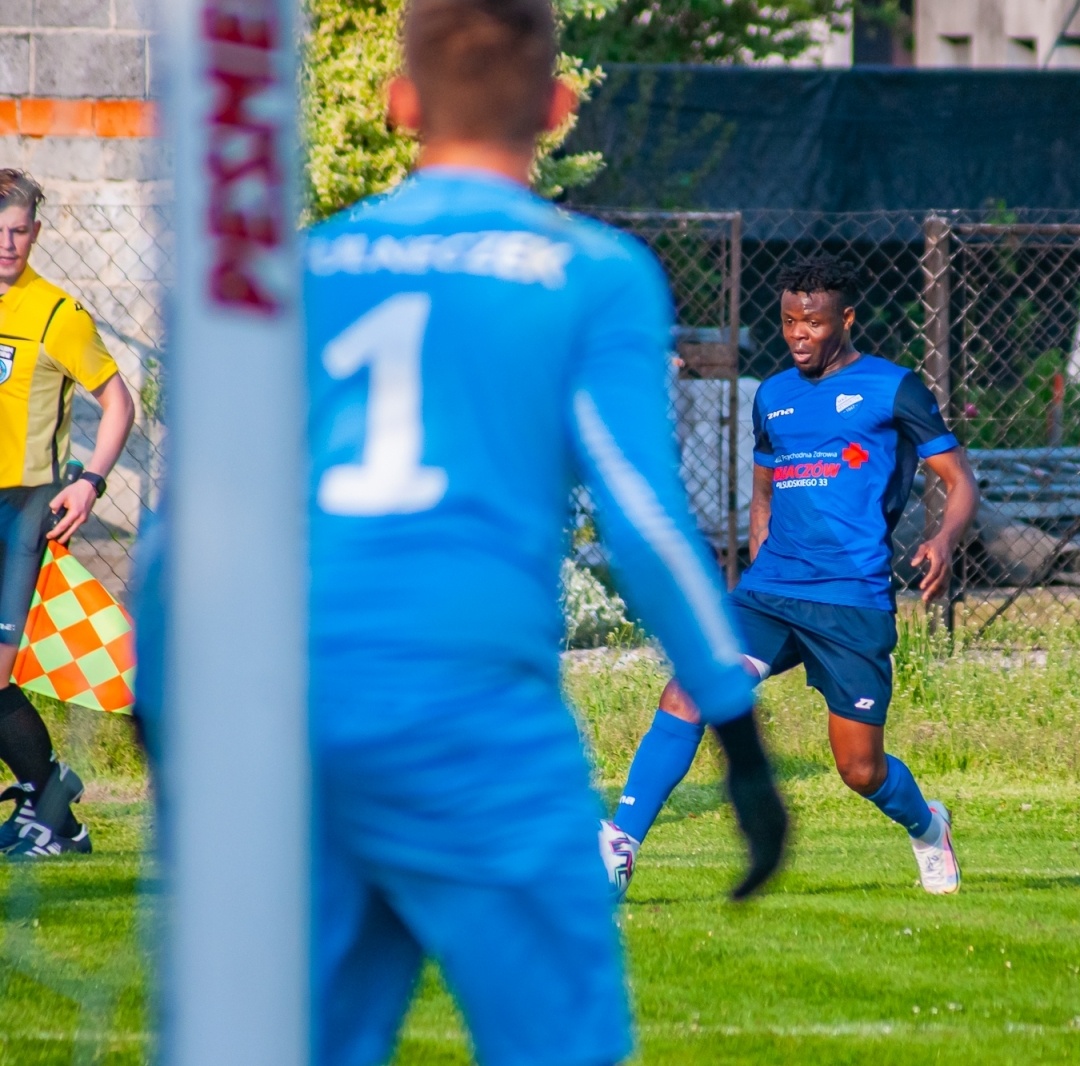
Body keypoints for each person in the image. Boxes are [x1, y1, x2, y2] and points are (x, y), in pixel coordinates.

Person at [304, 0, 787, 1062]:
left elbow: (207, 502)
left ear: (399, 106)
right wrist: (739, 734)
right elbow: (643, 518)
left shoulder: (306, 267)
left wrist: (167, 700)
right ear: (558, 108)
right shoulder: (593, 271)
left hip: (296, 710)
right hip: (472, 711)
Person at [606, 254, 979, 895]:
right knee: (687, 692)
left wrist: (943, 540)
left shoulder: (894, 389)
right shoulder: (772, 396)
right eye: (787, 322)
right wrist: (760, 555)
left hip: (851, 600)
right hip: (771, 592)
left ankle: (927, 825)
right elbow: (763, 489)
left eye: (812, 322)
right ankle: (618, 845)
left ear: (846, 319)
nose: (798, 334)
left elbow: (958, 479)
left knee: (859, 769)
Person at [0, 170, 136, 859]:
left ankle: (51, 808)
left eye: (19, 230)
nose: (7, 243)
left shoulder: (57, 313)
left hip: (22, 511)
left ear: (37, 233)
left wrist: (90, 483)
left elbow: (118, 403)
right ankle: (50, 804)